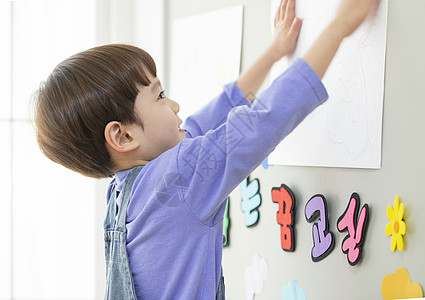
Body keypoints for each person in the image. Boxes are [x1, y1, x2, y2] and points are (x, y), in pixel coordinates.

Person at [34, 0, 377, 298]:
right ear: (122, 138)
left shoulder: (127, 189)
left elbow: (210, 119)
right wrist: (341, 25)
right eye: (160, 96)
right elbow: (261, 122)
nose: (175, 105)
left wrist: (275, 52)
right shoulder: (180, 177)